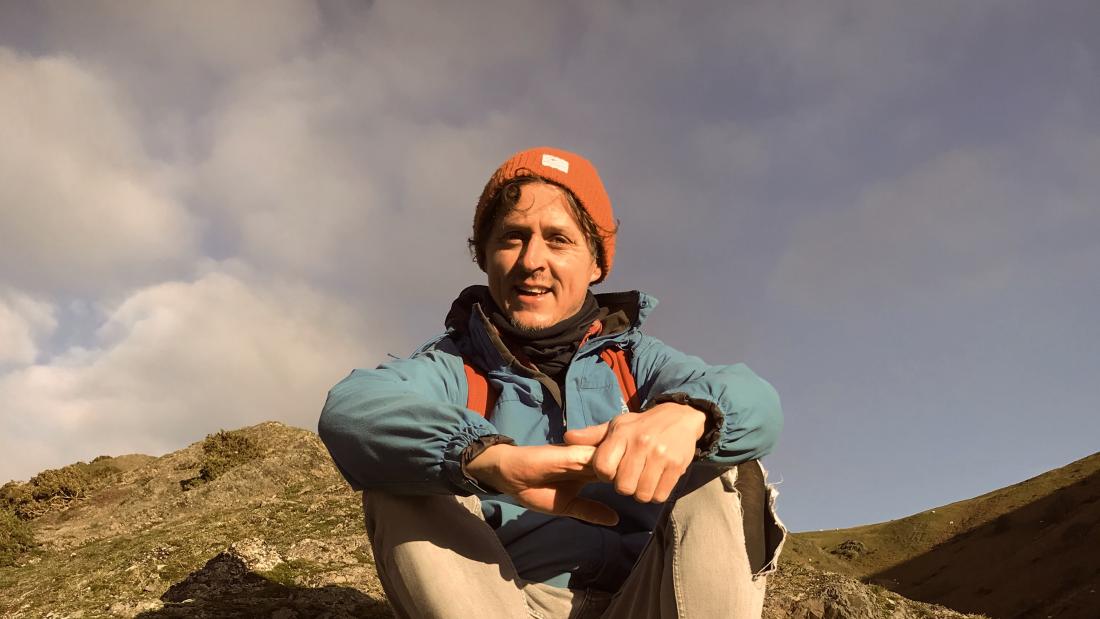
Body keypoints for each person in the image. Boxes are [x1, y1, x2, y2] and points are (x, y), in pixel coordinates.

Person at [319, 146, 786, 618]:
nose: (531, 261)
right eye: (512, 237)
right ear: (484, 256)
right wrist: (487, 457)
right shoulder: (452, 366)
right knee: (402, 475)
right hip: (504, 602)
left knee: (723, 455)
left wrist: (686, 416)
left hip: (645, 600)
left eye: (559, 240)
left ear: (596, 264)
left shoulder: (637, 361)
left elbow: (758, 404)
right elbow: (352, 409)